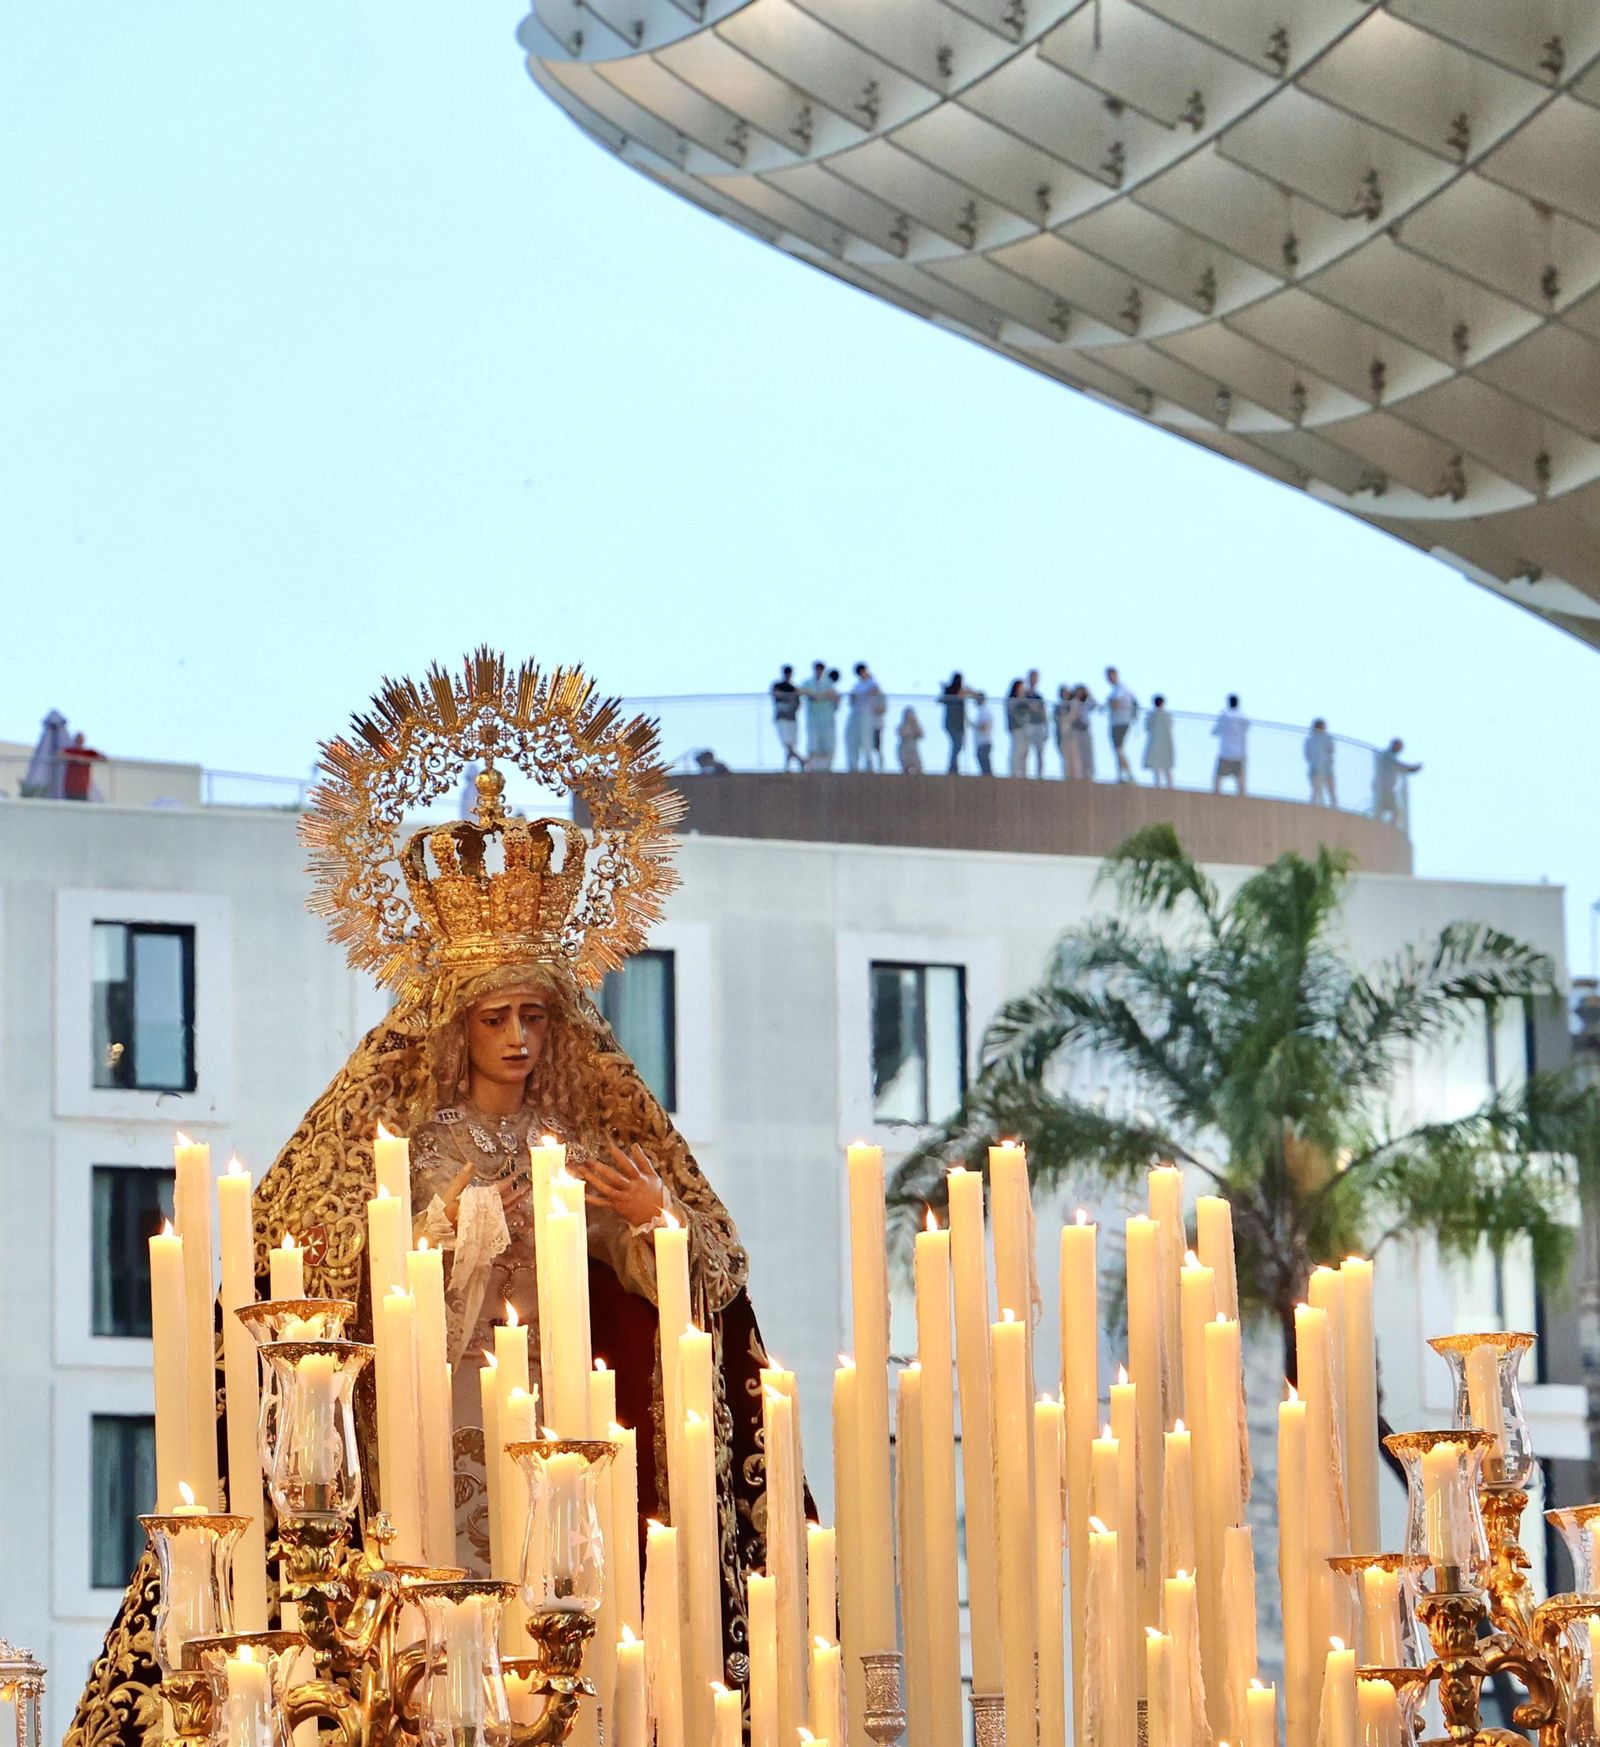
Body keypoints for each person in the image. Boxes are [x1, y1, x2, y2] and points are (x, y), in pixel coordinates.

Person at [67, 655, 783, 1744]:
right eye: (495, 1016)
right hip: (431, 1409)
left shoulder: (587, 1137)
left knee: (563, 1626)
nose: (516, 1037)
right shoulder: (397, 1145)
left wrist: (657, 1228)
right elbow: (328, 1289)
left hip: (560, 1419)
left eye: (534, 1017)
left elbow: (684, 1296)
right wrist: (458, 1226)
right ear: (456, 1023)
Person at [800, 662, 840, 770]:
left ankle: (826, 768)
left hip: (827, 720)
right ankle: (812, 768)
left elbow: (836, 699)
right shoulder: (808, 683)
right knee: (813, 745)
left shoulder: (828, 684)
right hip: (813, 719)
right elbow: (800, 691)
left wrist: (823, 695)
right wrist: (812, 695)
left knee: (827, 745)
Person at [1374, 737, 1421, 824]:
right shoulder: (1388, 756)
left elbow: (1398, 767)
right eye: (1399, 747)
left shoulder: (1386, 755)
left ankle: (1382, 824)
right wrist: (1412, 768)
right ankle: (1387, 827)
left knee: (1385, 809)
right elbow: (1399, 766)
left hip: (1384, 788)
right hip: (1385, 788)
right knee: (1395, 811)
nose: (1400, 749)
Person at [845, 663, 883, 772]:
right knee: (853, 739)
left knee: (867, 741)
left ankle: (869, 765)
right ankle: (853, 766)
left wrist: (861, 696)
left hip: (866, 716)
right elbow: (852, 700)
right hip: (856, 715)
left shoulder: (872, 683)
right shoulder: (857, 685)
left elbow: (875, 690)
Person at [1105, 666, 1138, 783]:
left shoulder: (1121, 688)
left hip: (1121, 721)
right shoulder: (1116, 689)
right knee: (1117, 749)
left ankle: (1129, 775)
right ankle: (1121, 776)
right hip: (1116, 722)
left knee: (1118, 749)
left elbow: (1116, 704)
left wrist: (1109, 704)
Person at [1212, 694, 1248, 794]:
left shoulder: (1224, 716)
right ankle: (1242, 797)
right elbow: (1246, 729)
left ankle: (1216, 795)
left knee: (1218, 777)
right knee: (1239, 778)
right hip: (1239, 753)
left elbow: (1215, 731)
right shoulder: (1243, 717)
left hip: (1225, 752)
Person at [770, 665, 803, 771]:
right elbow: (775, 694)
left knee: (791, 744)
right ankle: (801, 760)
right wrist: (790, 696)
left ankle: (787, 766)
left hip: (792, 719)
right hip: (782, 718)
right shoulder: (778, 685)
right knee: (786, 742)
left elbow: (798, 703)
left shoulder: (794, 687)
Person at [939, 673, 972, 774]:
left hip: (956, 724)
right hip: (954, 725)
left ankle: (953, 767)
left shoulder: (956, 692)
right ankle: (953, 767)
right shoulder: (952, 693)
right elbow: (941, 700)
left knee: (957, 745)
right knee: (957, 745)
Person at [61, 731, 105, 800]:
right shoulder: (70, 750)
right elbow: (59, 755)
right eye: (78, 739)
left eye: (81, 740)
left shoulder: (88, 752)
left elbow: (103, 758)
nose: (79, 741)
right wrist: (75, 758)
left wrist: (87, 760)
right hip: (70, 786)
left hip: (83, 787)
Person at [1142, 695, 1175, 788]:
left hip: (1155, 742)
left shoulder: (1151, 715)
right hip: (1165, 742)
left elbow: (1147, 728)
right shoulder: (1167, 715)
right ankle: (1169, 785)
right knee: (1166, 766)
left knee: (1157, 765)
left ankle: (1158, 785)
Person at [1305, 718, 1337, 807]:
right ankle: (1315, 807)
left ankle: (1334, 809)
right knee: (1317, 791)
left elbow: (1331, 750)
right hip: (1317, 768)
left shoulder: (1325, 738)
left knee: (1329, 791)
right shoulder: (1311, 739)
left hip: (1326, 768)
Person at [1022, 669, 1049, 777]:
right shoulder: (1024, 695)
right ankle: (1024, 774)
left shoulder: (1039, 697)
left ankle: (1040, 775)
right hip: (1029, 725)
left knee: (1040, 753)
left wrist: (1046, 727)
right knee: (1025, 751)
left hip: (1039, 726)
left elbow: (1043, 712)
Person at [1069, 684, 1096, 780]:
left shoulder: (1086, 703)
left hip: (1085, 730)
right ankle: (1079, 774)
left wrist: (1089, 693)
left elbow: (1094, 704)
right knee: (1078, 754)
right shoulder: (1074, 702)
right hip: (1077, 730)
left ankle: (1089, 773)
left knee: (1088, 753)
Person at [1004, 679, 1029, 777]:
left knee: (1025, 751)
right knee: (1017, 750)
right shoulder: (1012, 700)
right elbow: (1013, 713)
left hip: (1025, 729)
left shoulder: (1025, 700)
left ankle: (1023, 773)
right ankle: (1014, 772)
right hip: (1016, 728)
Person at [972, 691, 995, 775]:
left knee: (985, 764)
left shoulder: (984, 711)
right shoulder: (982, 711)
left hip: (984, 741)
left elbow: (984, 726)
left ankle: (989, 781)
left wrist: (973, 725)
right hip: (982, 742)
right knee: (983, 763)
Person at [896, 706, 925, 773]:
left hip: (913, 750)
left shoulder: (916, 726)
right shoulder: (902, 726)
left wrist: (914, 724)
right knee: (905, 769)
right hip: (904, 749)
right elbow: (903, 734)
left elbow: (920, 735)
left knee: (918, 768)